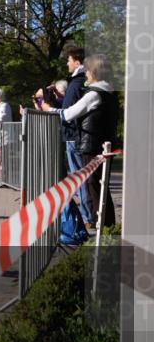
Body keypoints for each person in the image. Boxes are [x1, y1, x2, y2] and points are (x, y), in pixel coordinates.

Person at [43, 55, 119, 228]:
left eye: (87, 71)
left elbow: (68, 114)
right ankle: (108, 228)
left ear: (94, 71)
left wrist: (49, 109)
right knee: (102, 189)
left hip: (92, 146)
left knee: (94, 189)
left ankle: (103, 228)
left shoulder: (94, 94)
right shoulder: (110, 92)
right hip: (104, 145)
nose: (86, 74)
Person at [59, 48, 91, 223]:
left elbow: (68, 111)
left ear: (77, 62)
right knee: (79, 177)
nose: (67, 63)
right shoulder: (79, 82)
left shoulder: (77, 82)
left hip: (74, 136)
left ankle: (88, 216)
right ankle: (88, 214)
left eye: (69, 60)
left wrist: (49, 108)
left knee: (79, 178)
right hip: (74, 135)